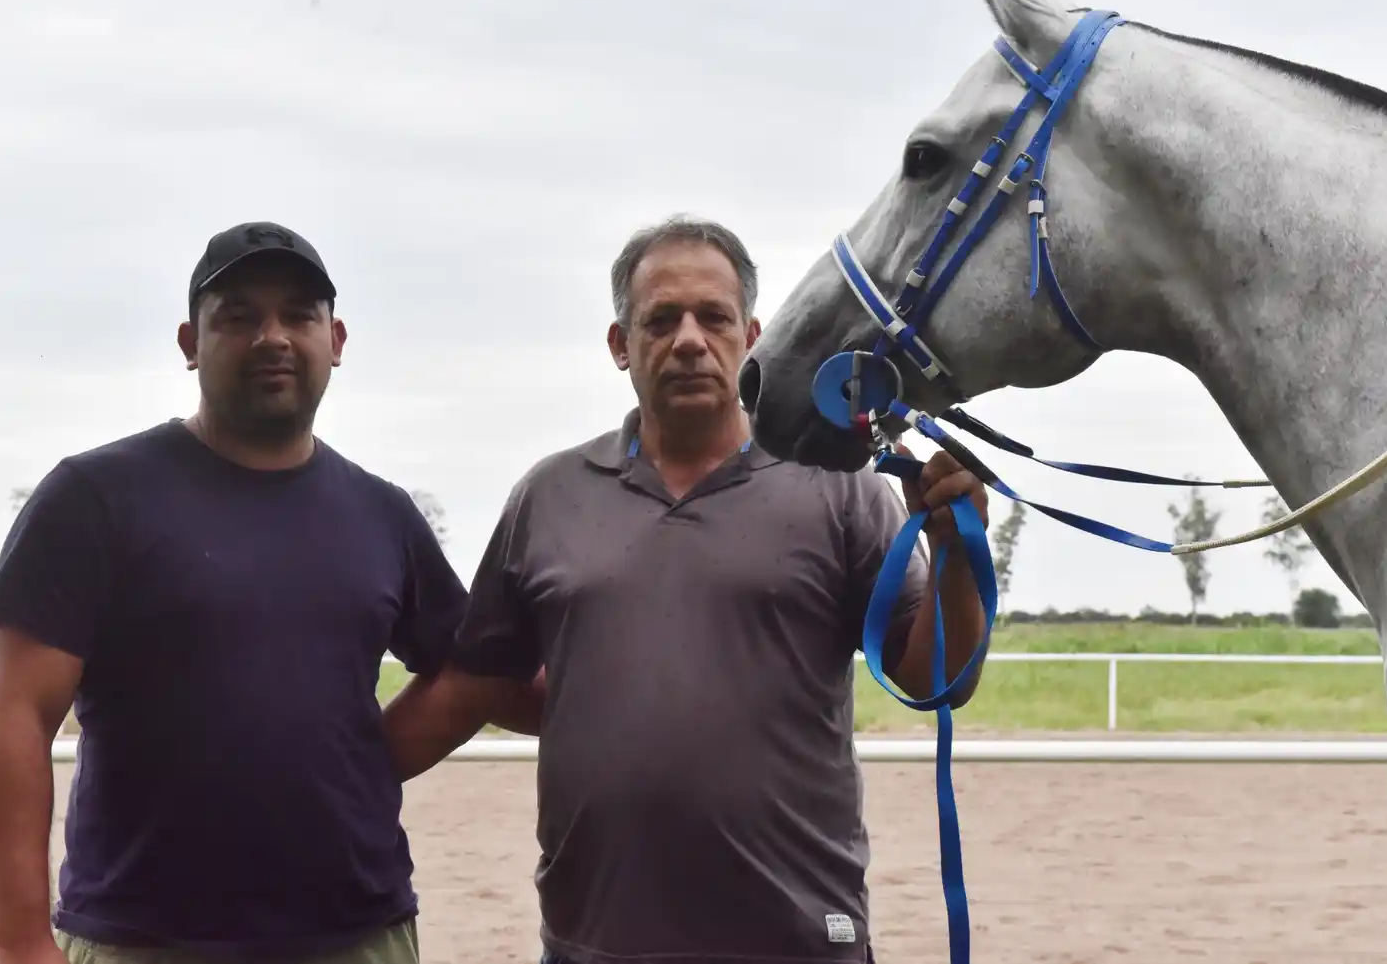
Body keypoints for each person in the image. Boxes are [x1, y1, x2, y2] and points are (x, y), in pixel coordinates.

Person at [381, 215, 991, 964]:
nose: (690, 340)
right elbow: (471, 686)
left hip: (798, 942)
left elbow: (936, 678)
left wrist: (956, 552)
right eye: (661, 320)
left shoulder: (840, 487)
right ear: (620, 344)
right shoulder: (550, 496)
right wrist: (326, 777)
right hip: (594, 943)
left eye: (714, 317)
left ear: (753, 337)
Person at [0, 221, 539, 964]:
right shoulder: (94, 497)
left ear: (336, 339)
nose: (274, 337)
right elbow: (12, 715)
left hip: (360, 933)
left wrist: (369, 761)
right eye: (238, 316)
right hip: (140, 939)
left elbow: (473, 674)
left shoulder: (382, 513)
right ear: (190, 342)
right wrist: (19, 944)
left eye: (299, 315)